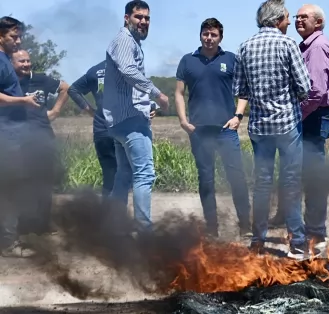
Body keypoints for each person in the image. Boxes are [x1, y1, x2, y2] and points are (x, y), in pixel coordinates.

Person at [233, 0, 312, 260]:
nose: (290, 22)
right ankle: (298, 244)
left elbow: (240, 90)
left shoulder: (245, 46)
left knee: (262, 185)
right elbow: (304, 86)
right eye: (288, 18)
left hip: (259, 126)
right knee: (290, 184)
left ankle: (257, 242)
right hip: (287, 124)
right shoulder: (288, 44)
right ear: (278, 19)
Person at [268, 4, 329, 249]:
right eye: (296, 17)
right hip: (312, 115)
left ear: (318, 23)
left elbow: (315, 91)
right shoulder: (306, 46)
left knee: (312, 175)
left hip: (313, 115)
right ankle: (305, 226)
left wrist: (296, 115)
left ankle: (316, 232)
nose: (298, 20)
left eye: (304, 17)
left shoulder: (317, 47)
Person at [174, 18, 252, 239]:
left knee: (236, 177)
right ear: (200, 35)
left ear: (220, 37)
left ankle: (245, 225)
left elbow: (244, 90)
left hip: (226, 130)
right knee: (206, 180)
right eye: (206, 34)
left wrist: (238, 115)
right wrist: (182, 120)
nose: (209, 38)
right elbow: (179, 93)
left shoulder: (231, 59)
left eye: (213, 35)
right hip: (199, 131)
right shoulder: (188, 61)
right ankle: (212, 229)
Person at [103, 0, 170, 233]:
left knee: (124, 175)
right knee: (144, 175)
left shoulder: (130, 42)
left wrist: (148, 104)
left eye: (146, 18)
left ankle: (114, 226)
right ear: (126, 18)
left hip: (122, 120)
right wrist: (157, 94)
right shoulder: (123, 40)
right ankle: (144, 233)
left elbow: (125, 83)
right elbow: (129, 71)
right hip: (130, 122)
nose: (143, 22)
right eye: (138, 17)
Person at [10, 48, 70, 236]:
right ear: (11, 64)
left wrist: (55, 111)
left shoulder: (41, 79)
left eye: (28, 61)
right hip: (17, 138)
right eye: (21, 61)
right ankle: (20, 226)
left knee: (44, 181)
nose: (26, 64)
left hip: (43, 135)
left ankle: (43, 223)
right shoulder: (7, 83)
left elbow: (65, 88)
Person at [0, 16, 43, 257]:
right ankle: (8, 244)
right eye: (13, 36)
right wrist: (23, 100)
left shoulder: (6, 60)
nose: (18, 41)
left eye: (19, 36)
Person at [67, 61, 116, 197]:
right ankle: (120, 215)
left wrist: (91, 111)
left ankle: (108, 214)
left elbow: (73, 89)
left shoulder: (95, 70)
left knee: (109, 174)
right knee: (127, 174)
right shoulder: (129, 68)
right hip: (123, 130)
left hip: (102, 129)